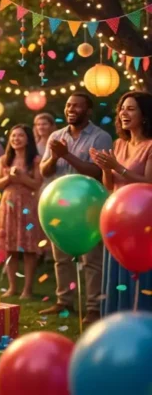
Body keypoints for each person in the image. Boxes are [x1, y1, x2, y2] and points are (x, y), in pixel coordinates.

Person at [39, 92, 112, 325]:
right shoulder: (57, 136)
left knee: (92, 258)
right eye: (68, 105)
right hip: (59, 208)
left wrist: (66, 155)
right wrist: (53, 158)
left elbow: (97, 172)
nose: (71, 109)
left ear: (88, 111)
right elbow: (45, 171)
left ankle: (93, 307)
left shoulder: (101, 137)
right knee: (61, 258)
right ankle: (64, 301)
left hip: (88, 206)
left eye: (77, 106)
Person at [90, 91, 152, 315]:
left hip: (141, 220)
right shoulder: (118, 145)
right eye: (122, 108)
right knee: (117, 274)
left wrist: (117, 166)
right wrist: (106, 168)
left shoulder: (150, 145)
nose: (124, 113)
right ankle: (115, 317)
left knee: (138, 275)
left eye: (131, 108)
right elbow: (109, 185)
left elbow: (148, 182)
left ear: (144, 115)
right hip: (116, 218)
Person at [0, 125, 45, 299]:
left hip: (27, 205)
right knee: (10, 247)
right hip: (8, 204)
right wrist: (9, 177)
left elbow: (37, 183)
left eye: (20, 136)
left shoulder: (36, 160)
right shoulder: (4, 160)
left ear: (27, 138)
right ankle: (12, 287)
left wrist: (22, 177)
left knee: (29, 248)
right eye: (13, 136)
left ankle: (27, 289)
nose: (16, 139)